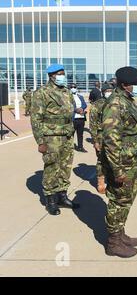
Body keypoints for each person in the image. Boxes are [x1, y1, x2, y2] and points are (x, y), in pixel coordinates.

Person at [102, 66, 137, 258]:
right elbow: (111, 141)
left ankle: (120, 234)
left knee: (126, 200)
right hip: (122, 163)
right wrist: (117, 170)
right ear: (123, 85)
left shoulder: (126, 101)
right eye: (133, 85)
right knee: (118, 201)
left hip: (132, 160)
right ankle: (113, 243)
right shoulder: (115, 105)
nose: (135, 88)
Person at [30, 64, 79, 215]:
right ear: (51, 76)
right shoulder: (42, 93)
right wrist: (40, 141)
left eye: (63, 73)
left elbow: (68, 112)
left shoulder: (66, 92)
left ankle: (62, 196)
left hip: (67, 135)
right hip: (51, 137)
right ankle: (50, 200)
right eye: (59, 74)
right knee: (52, 167)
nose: (62, 76)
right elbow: (36, 118)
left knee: (65, 166)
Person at [89, 81, 115, 194]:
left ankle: (112, 182)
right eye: (106, 91)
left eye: (110, 91)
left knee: (114, 159)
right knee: (101, 160)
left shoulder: (116, 103)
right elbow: (92, 124)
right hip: (101, 136)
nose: (108, 93)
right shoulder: (97, 105)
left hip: (114, 136)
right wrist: (95, 140)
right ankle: (101, 182)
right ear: (103, 92)